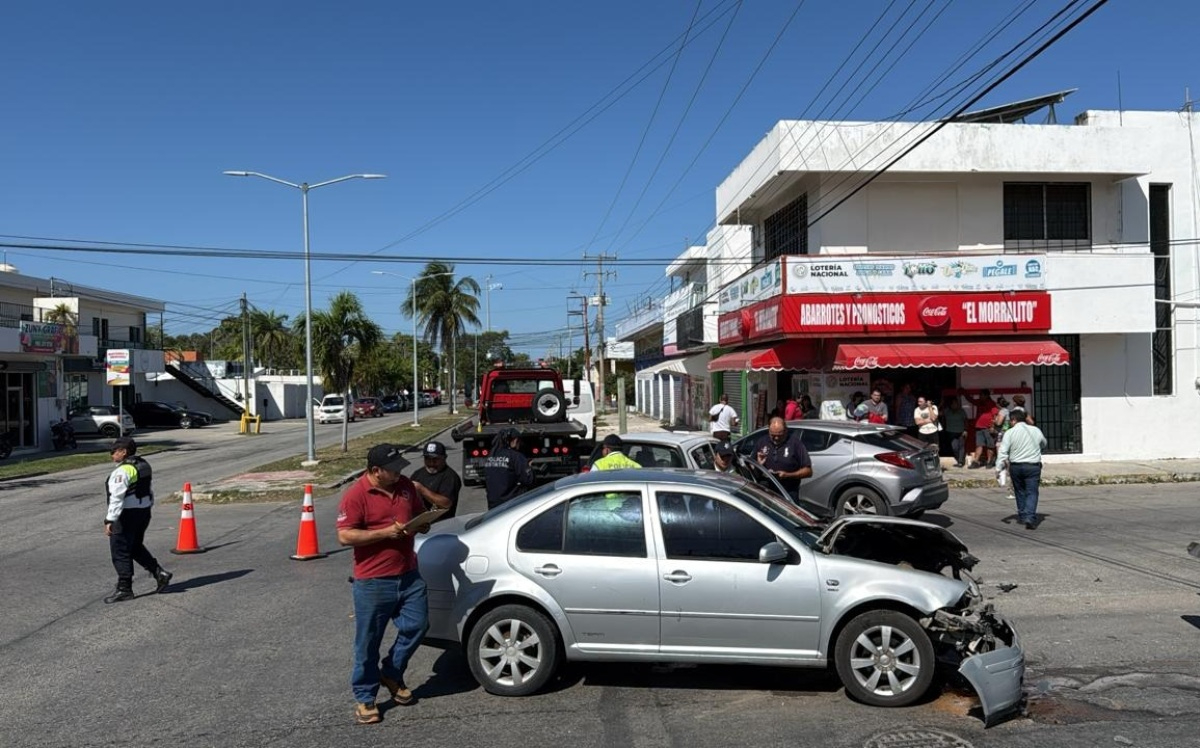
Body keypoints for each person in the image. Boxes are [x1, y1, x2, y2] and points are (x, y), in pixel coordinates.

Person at [336, 444, 451, 724]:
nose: (400, 471)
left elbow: (416, 513)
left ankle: (391, 671)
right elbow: (345, 536)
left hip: (408, 574)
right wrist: (385, 533)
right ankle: (365, 696)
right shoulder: (356, 495)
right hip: (373, 581)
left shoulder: (405, 487)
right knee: (368, 643)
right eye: (394, 468)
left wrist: (422, 523)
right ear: (376, 471)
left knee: (418, 625)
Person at [102, 437, 171, 604]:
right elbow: (149, 491)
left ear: (123, 452)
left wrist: (110, 519)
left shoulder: (122, 471)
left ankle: (124, 588)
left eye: (114, 451)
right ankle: (159, 573)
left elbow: (117, 498)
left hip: (125, 515)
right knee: (134, 547)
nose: (111, 455)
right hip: (143, 513)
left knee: (120, 551)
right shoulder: (142, 465)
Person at [995, 410, 1048, 529]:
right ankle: (1030, 516)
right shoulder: (1036, 430)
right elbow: (1044, 443)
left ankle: (1023, 515)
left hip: (1016, 467)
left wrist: (998, 468)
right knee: (1032, 492)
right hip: (1033, 466)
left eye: (1010, 421)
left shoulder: (1010, 433)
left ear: (1014, 420)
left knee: (1019, 491)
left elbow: (1003, 452)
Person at [754, 416, 813, 500]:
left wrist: (788, 475)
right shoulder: (762, 442)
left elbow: (808, 471)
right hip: (766, 492)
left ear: (786, 430)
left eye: (780, 435)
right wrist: (758, 464)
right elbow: (751, 467)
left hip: (788, 493)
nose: (776, 438)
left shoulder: (795, 444)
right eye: (773, 435)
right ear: (769, 431)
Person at [409, 441, 462, 522]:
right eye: (427, 459)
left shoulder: (450, 476)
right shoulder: (417, 474)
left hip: (442, 525)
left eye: (435, 459)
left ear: (444, 457)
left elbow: (446, 503)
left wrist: (421, 489)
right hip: (420, 525)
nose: (431, 463)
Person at [483, 427, 534, 509]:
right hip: (510, 505)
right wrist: (529, 468)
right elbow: (528, 480)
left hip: (493, 505)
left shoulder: (490, 456)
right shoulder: (515, 456)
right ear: (515, 440)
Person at [970, 404, 1000, 469]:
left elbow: (995, 417)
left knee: (990, 445)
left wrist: (992, 426)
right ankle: (976, 461)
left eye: (982, 395)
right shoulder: (980, 403)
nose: (980, 396)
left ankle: (989, 462)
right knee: (979, 445)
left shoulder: (992, 405)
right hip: (979, 428)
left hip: (988, 428)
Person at [941, 398, 969, 467]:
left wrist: (965, 430)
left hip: (961, 432)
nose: (955, 405)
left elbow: (966, 421)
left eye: (956, 404)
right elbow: (939, 414)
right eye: (953, 404)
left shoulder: (961, 411)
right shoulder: (947, 411)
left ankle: (960, 462)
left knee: (961, 446)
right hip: (951, 432)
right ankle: (960, 459)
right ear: (951, 405)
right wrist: (941, 404)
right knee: (954, 448)